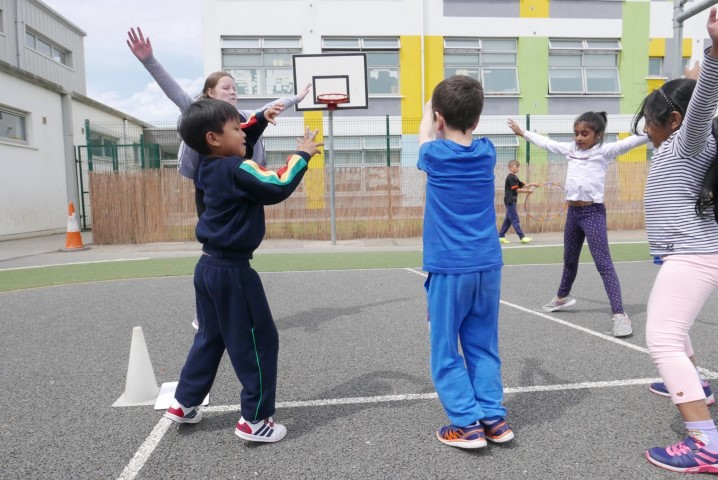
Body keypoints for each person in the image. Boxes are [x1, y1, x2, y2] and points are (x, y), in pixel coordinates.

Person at [127, 26, 311, 330]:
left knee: (238, 248)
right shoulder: (199, 114)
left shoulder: (245, 119)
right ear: (210, 93)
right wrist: (149, 60)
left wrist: (298, 97)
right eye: (226, 87)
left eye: (235, 87)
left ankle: (229, 311)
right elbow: (173, 90)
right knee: (217, 252)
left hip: (242, 188)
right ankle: (209, 312)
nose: (233, 91)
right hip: (212, 191)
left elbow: (272, 107)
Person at [163, 98, 322, 444]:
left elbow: (242, 139)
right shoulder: (238, 169)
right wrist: (303, 155)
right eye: (236, 129)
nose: (243, 134)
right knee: (259, 341)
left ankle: (184, 402)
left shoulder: (207, 168)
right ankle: (255, 419)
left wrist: (259, 119)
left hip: (207, 267)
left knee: (210, 336)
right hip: (233, 273)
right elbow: (277, 185)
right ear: (213, 138)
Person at [634, 8, 718, 473]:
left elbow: (701, 101)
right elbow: (692, 90)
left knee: (662, 337)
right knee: (673, 327)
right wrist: (694, 66)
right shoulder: (676, 144)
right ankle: (697, 388)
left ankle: (706, 444)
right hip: (687, 253)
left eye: (650, 121)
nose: (646, 129)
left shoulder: (688, 142)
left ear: (673, 120)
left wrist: (715, 51)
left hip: (694, 253)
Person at [418, 75, 512, 449]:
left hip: (449, 268)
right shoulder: (487, 151)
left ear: (439, 118)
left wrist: (430, 109)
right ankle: (493, 418)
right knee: (483, 344)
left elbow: (426, 135)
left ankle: (465, 423)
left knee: (445, 348)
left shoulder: (434, 155)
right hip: (487, 266)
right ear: (477, 120)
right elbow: (454, 131)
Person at [507, 112, 648, 338]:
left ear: (598, 135)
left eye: (584, 134)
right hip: (573, 214)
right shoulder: (571, 150)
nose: (579, 138)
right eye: (576, 133)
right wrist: (523, 133)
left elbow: (629, 142)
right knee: (569, 260)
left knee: (603, 264)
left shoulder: (604, 151)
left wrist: (651, 131)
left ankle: (620, 314)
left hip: (593, 214)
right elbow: (548, 143)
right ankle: (561, 298)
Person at [498, 160, 537, 244]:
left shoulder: (515, 177)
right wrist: (528, 191)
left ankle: (500, 236)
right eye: (517, 167)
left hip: (512, 201)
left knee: (508, 220)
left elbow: (522, 185)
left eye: (518, 167)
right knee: (515, 219)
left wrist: (532, 184)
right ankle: (522, 237)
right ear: (511, 167)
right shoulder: (511, 177)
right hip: (510, 201)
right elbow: (517, 190)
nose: (518, 168)